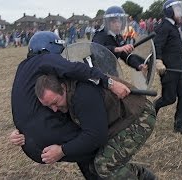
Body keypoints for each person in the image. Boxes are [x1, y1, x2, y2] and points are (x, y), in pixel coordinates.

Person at [10, 31, 131, 178]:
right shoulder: (44, 59)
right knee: (93, 140)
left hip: (28, 143)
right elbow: (73, 68)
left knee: (82, 152)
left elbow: (24, 105)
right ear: (49, 48)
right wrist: (109, 82)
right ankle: (139, 175)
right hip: (48, 135)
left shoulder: (23, 68)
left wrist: (22, 131)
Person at [30, 74, 157, 179]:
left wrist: (62, 151)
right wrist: (22, 132)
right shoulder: (65, 95)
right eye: (49, 107)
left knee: (105, 164)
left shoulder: (83, 96)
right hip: (117, 119)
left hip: (139, 116)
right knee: (100, 164)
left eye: (55, 103)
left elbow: (95, 137)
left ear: (63, 88)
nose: (54, 109)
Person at [153, 0, 182, 135]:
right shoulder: (164, 26)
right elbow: (157, 45)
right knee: (169, 98)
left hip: (180, 68)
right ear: (169, 12)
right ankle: (152, 109)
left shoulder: (175, 27)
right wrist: (158, 61)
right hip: (169, 70)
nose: (181, 12)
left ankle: (179, 125)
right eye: (177, 9)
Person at [92, 6, 147, 72]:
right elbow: (96, 49)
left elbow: (126, 56)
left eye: (119, 22)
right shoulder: (100, 35)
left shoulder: (118, 37)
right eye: (114, 22)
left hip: (112, 70)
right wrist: (116, 49)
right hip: (97, 72)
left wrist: (138, 65)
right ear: (108, 23)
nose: (117, 25)